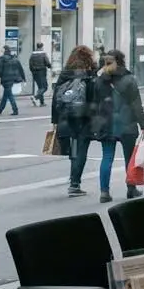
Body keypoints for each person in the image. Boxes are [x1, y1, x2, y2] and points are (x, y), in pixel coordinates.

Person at [92, 49, 144, 203]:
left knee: (107, 157)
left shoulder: (100, 80)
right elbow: (136, 104)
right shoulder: (129, 79)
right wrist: (143, 124)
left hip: (107, 123)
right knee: (129, 158)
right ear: (121, 61)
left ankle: (104, 192)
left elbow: (95, 103)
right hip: (126, 123)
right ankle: (131, 188)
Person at [53, 45, 99, 197]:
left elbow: (56, 97)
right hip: (84, 117)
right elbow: (94, 97)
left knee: (73, 149)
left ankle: (73, 178)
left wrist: (55, 120)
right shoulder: (90, 73)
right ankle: (74, 183)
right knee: (81, 149)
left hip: (66, 117)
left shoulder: (65, 73)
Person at [0, 45, 22, 116]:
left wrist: (2, 76)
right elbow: (19, 68)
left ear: (4, 51)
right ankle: (0, 109)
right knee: (5, 95)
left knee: (9, 95)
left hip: (5, 79)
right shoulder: (14, 58)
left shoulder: (1, 59)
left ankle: (15, 110)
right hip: (12, 79)